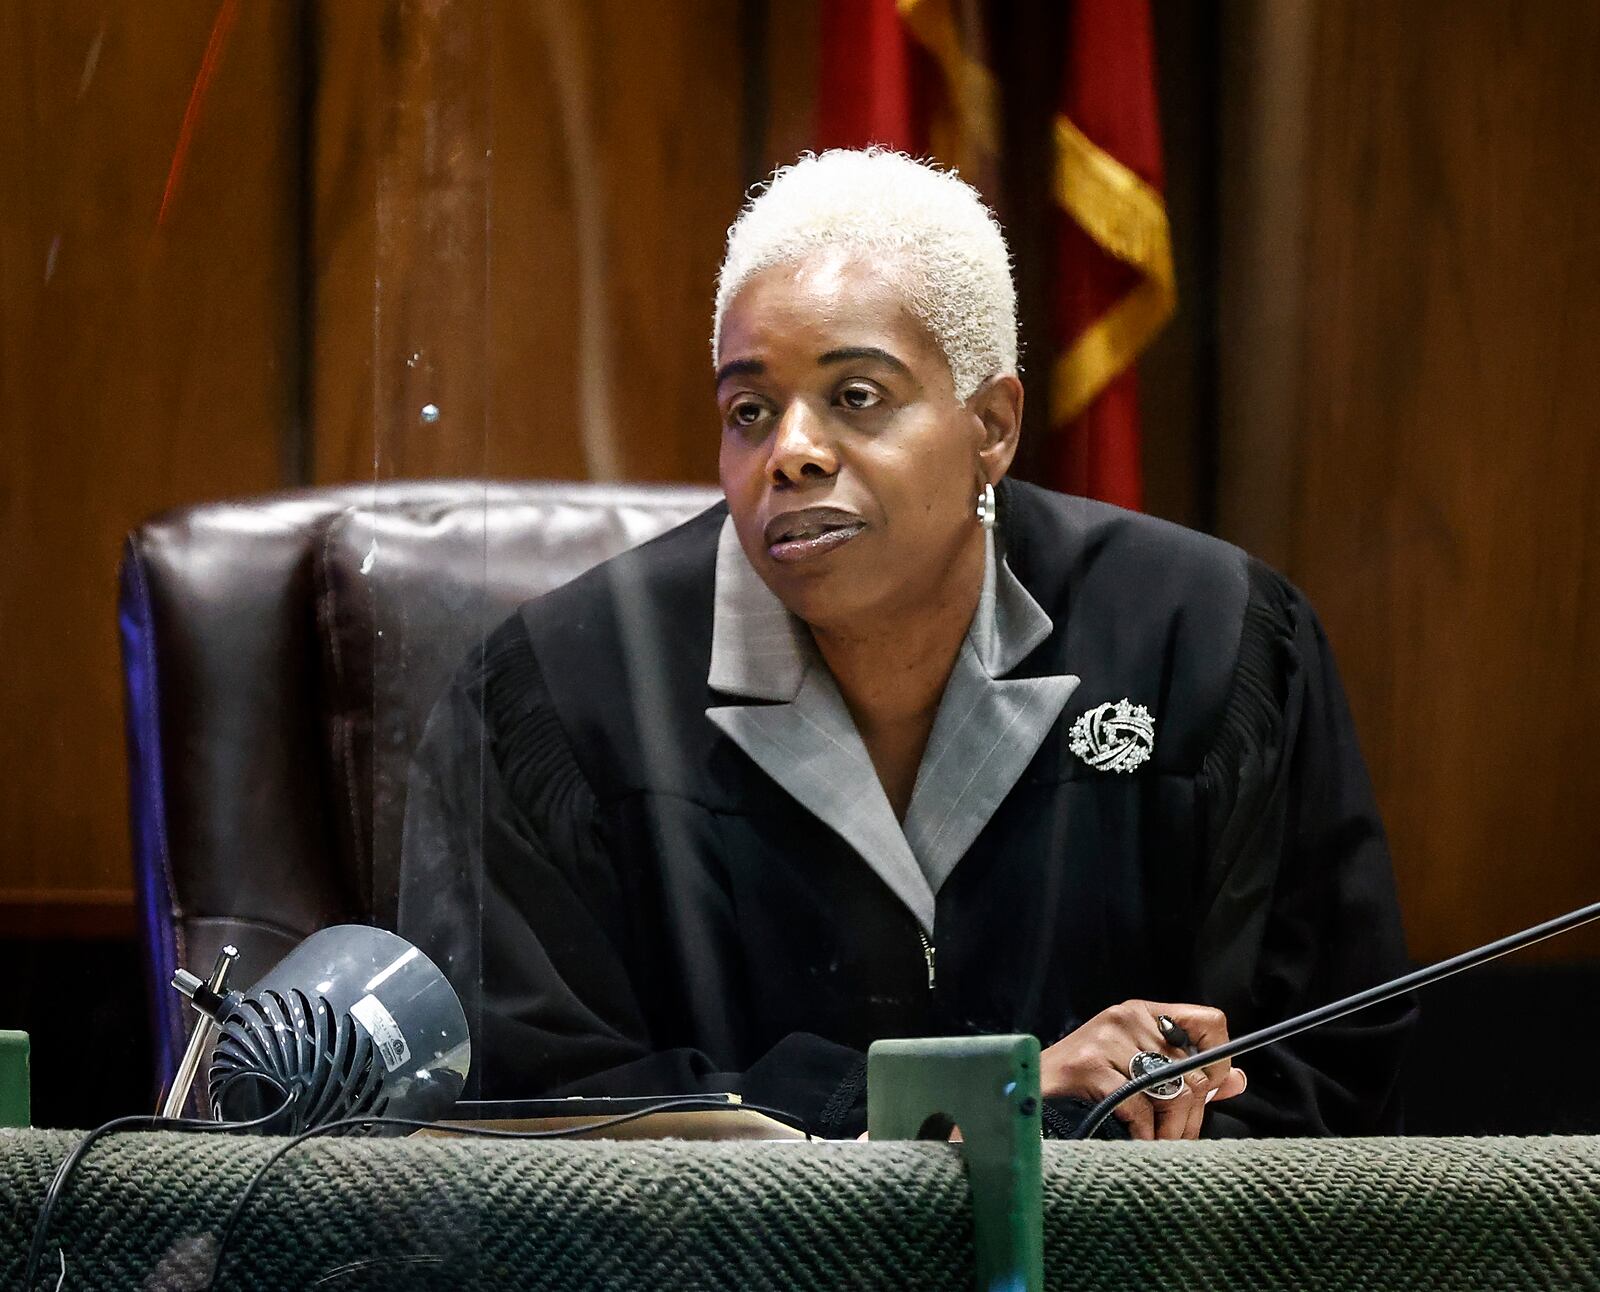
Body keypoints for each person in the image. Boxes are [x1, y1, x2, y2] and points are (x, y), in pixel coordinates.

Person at [398, 148, 1415, 1140]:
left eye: (855, 397)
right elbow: (517, 1106)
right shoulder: (559, 695)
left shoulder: (1208, 641)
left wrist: (1097, 1155)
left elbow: (1330, 1069)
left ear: (993, 424)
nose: (789, 452)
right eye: (748, 410)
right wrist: (967, 1104)